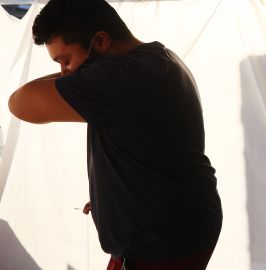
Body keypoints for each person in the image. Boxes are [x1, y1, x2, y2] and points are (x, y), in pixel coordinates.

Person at [8, 0, 222, 269]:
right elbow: (148, 147)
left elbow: (20, 102)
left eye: (65, 60)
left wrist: (83, 76)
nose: (64, 72)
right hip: (176, 225)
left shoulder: (123, 76)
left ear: (100, 41)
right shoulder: (154, 60)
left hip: (165, 241)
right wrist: (111, 196)